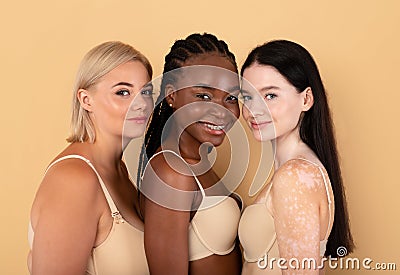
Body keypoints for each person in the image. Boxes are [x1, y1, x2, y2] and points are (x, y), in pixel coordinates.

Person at [28, 41, 153, 275]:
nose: (141, 104)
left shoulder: (120, 172)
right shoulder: (74, 179)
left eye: (146, 92)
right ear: (86, 100)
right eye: (123, 92)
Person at [238, 40, 354, 274]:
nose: (254, 109)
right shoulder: (293, 170)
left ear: (306, 99)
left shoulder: (295, 177)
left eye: (270, 96)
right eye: (247, 97)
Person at [138, 33, 243, 275]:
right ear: (172, 95)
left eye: (231, 98)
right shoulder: (171, 173)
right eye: (203, 96)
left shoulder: (196, 162)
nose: (220, 111)